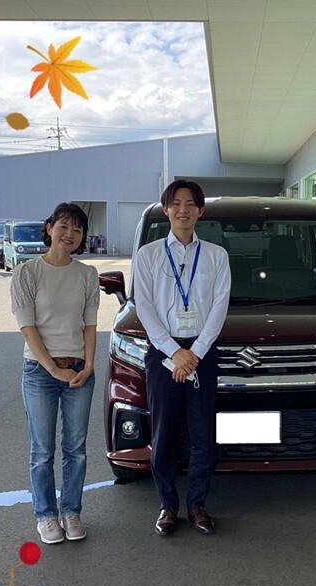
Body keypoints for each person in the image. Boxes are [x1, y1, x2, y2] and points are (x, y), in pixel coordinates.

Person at [133, 179, 231, 536]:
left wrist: (194, 354)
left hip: (202, 351)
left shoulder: (216, 255)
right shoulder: (149, 255)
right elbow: (144, 307)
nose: (183, 210)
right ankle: (167, 506)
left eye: (190, 204)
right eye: (176, 203)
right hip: (163, 353)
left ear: (200, 211)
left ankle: (197, 504)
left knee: (203, 433)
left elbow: (219, 307)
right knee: (164, 432)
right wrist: (175, 352)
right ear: (166, 209)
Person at [10, 203, 99, 544]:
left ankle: (71, 511)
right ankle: (46, 516)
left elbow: (90, 325)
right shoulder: (27, 272)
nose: (69, 234)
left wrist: (88, 365)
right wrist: (52, 368)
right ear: (49, 228)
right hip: (39, 371)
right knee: (42, 450)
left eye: (77, 229)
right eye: (63, 226)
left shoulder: (87, 274)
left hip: (78, 370)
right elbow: (27, 327)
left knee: (76, 448)